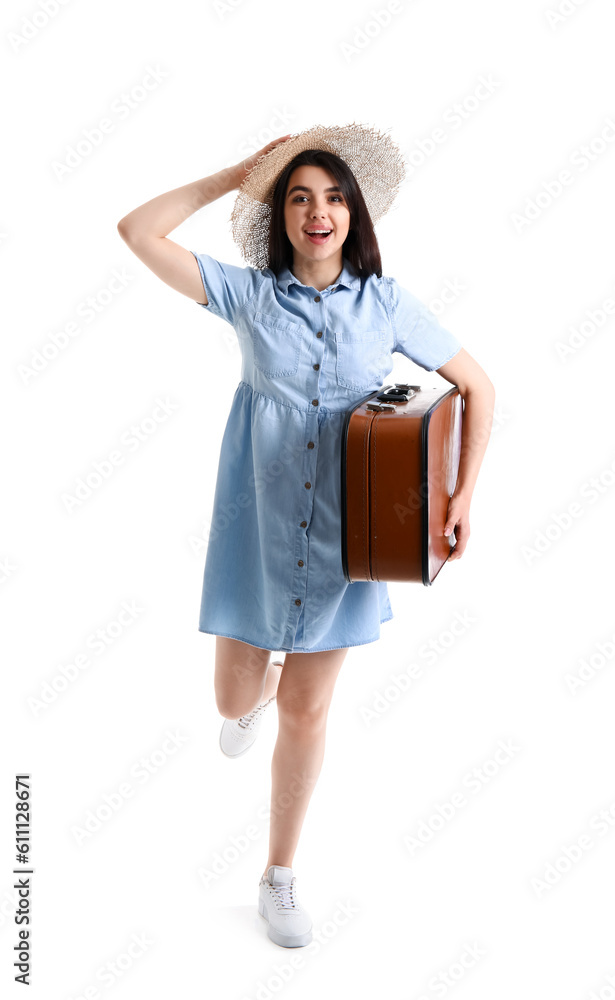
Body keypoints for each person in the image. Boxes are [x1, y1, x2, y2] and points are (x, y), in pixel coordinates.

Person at [117, 122, 495, 949]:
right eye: (296, 197)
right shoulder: (250, 296)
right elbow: (136, 232)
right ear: (280, 216)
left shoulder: (387, 303)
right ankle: (253, 694)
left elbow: (475, 385)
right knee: (233, 701)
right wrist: (233, 172)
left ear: (353, 215)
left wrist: (461, 493)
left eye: (331, 197)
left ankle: (277, 877)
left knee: (308, 712)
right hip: (256, 533)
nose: (316, 211)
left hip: (346, 540)